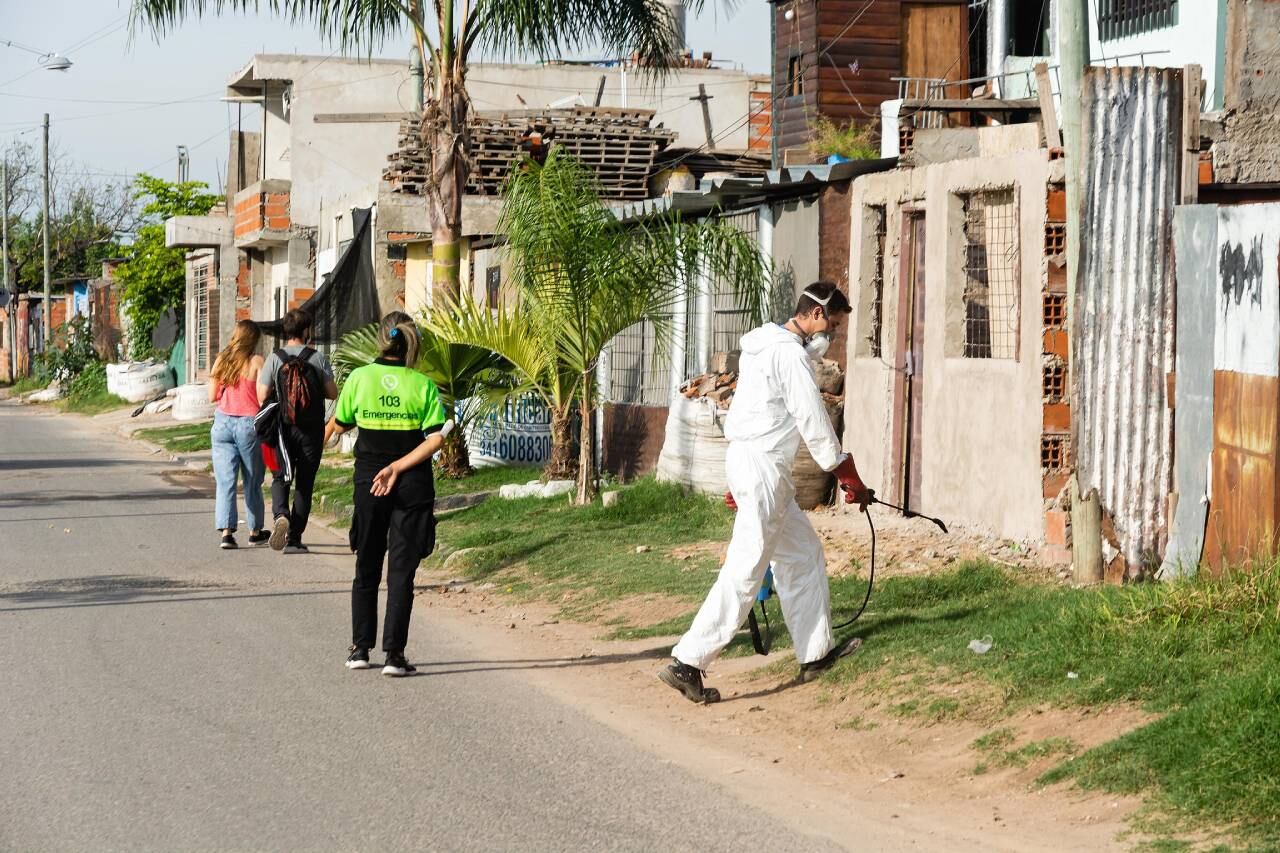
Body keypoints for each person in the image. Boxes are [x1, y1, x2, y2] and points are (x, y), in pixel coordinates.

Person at [659, 281, 873, 702]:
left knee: (802, 554)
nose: (832, 332)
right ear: (814, 314)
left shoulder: (761, 346)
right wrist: (849, 477)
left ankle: (816, 655)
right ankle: (688, 661)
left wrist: (742, 481)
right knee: (745, 570)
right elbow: (814, 423)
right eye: (831, 323)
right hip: (763, 472)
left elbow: (750, 412)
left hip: (754, 467)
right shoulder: (789, 356)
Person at [325, 312, 451, 677]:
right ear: (412, 342)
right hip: (411, 484)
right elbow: (435, 439)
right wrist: (398, 467)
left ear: (381, 339)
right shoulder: (422, 385)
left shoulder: (359, 379)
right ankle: (394, 655)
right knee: (402, 571)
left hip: (369, 482)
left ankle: (359, 649)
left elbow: (341, 424)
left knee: (366, 565)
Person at [257, 308, 338, 554]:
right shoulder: (317, 358)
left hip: (282, 429)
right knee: (305, 482)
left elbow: (261, 395)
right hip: (311, 429)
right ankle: (295, 538)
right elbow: (332, 393)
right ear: (306, 331)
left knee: (281, 475)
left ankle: (281, 514)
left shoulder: (274, 358)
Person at [208, 320, 269, 550]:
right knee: (252, 480)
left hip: (222, 423)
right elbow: (263, 397)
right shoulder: (256, 362)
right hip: (248, 425)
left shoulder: (221, 360)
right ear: (254, 339)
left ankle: (226, 533)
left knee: (225, 482)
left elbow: (212, 395)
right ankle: (254, 532)